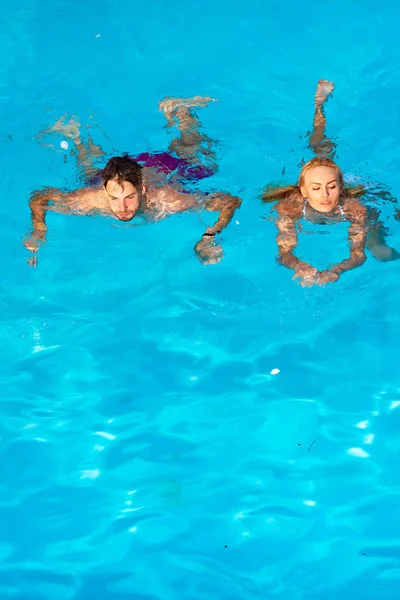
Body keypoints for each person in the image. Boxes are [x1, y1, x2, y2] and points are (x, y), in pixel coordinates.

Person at [24, 96, 241, 266]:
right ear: (105, 190)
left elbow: (231, 201)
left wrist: (208, 237)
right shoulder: (92, 200)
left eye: (129, 197)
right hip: (115, 176)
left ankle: (182, 113)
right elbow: (40, 199)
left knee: (202, 165)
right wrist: (39, 230)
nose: (122, 208)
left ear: (142, 189)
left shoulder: (168, 201)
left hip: (161, 166)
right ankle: (78, 137)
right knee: (87, 175)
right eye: (114, 198)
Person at [262, 80, 399, 286]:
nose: (325, 195)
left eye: (332, 187)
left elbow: (358, 255)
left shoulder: (353, 208)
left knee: (382, 253)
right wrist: (299, 265)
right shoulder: (290, 208)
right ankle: (319, 105)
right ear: (304, 191)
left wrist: (336, 270)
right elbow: (284, 253)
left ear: (340, 187)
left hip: (369, 192)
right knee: (319, 144)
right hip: (318, 180)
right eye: (316, 189)